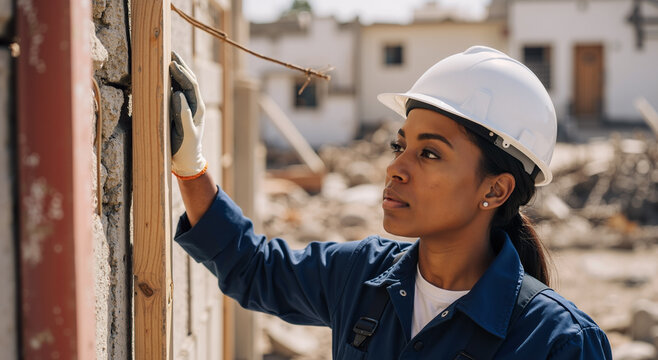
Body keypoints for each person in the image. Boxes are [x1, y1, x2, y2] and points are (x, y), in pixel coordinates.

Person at [169, 47, 612, 359]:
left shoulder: (559, 342)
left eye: (430, 153)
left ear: (494, 191)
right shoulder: (362, 278)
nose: (396, 168)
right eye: (399, 146)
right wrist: (192, 168)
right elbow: (253, 267)